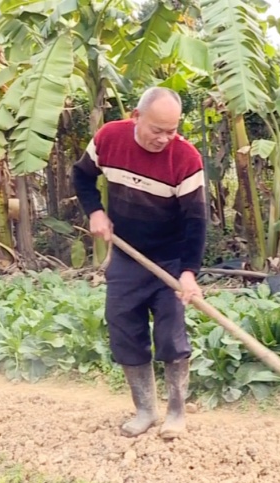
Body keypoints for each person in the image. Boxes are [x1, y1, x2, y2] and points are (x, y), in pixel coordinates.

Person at [71, 87, 206, 440]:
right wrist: (95, 211)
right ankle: (146, 409)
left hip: (170, 260)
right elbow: (82, 176)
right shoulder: (109, 138)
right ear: (135, 116)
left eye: (172, 130)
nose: (165, 138)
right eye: (157, 129)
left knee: (171, 335)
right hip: (127, 256)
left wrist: (189, 272)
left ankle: (176, 411)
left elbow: (196, 221)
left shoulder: (186, 158)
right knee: (124, 330)